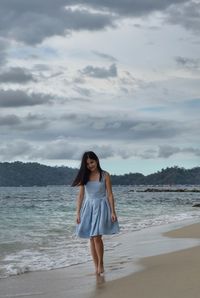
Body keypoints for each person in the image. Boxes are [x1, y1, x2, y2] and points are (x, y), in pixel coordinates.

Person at [72, 151, 119, 275]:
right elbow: (81, 195)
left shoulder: (105, 175)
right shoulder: (84, 177)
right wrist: (78, 213)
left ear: (96, 160)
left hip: (102, 206)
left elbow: (109, 194)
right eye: (87, 164)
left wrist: (113, 211)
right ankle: (96, 267)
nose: (90, 165)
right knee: (91, 238)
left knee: (97, 237)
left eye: (92, 162)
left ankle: (101, 264)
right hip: (88, 207)